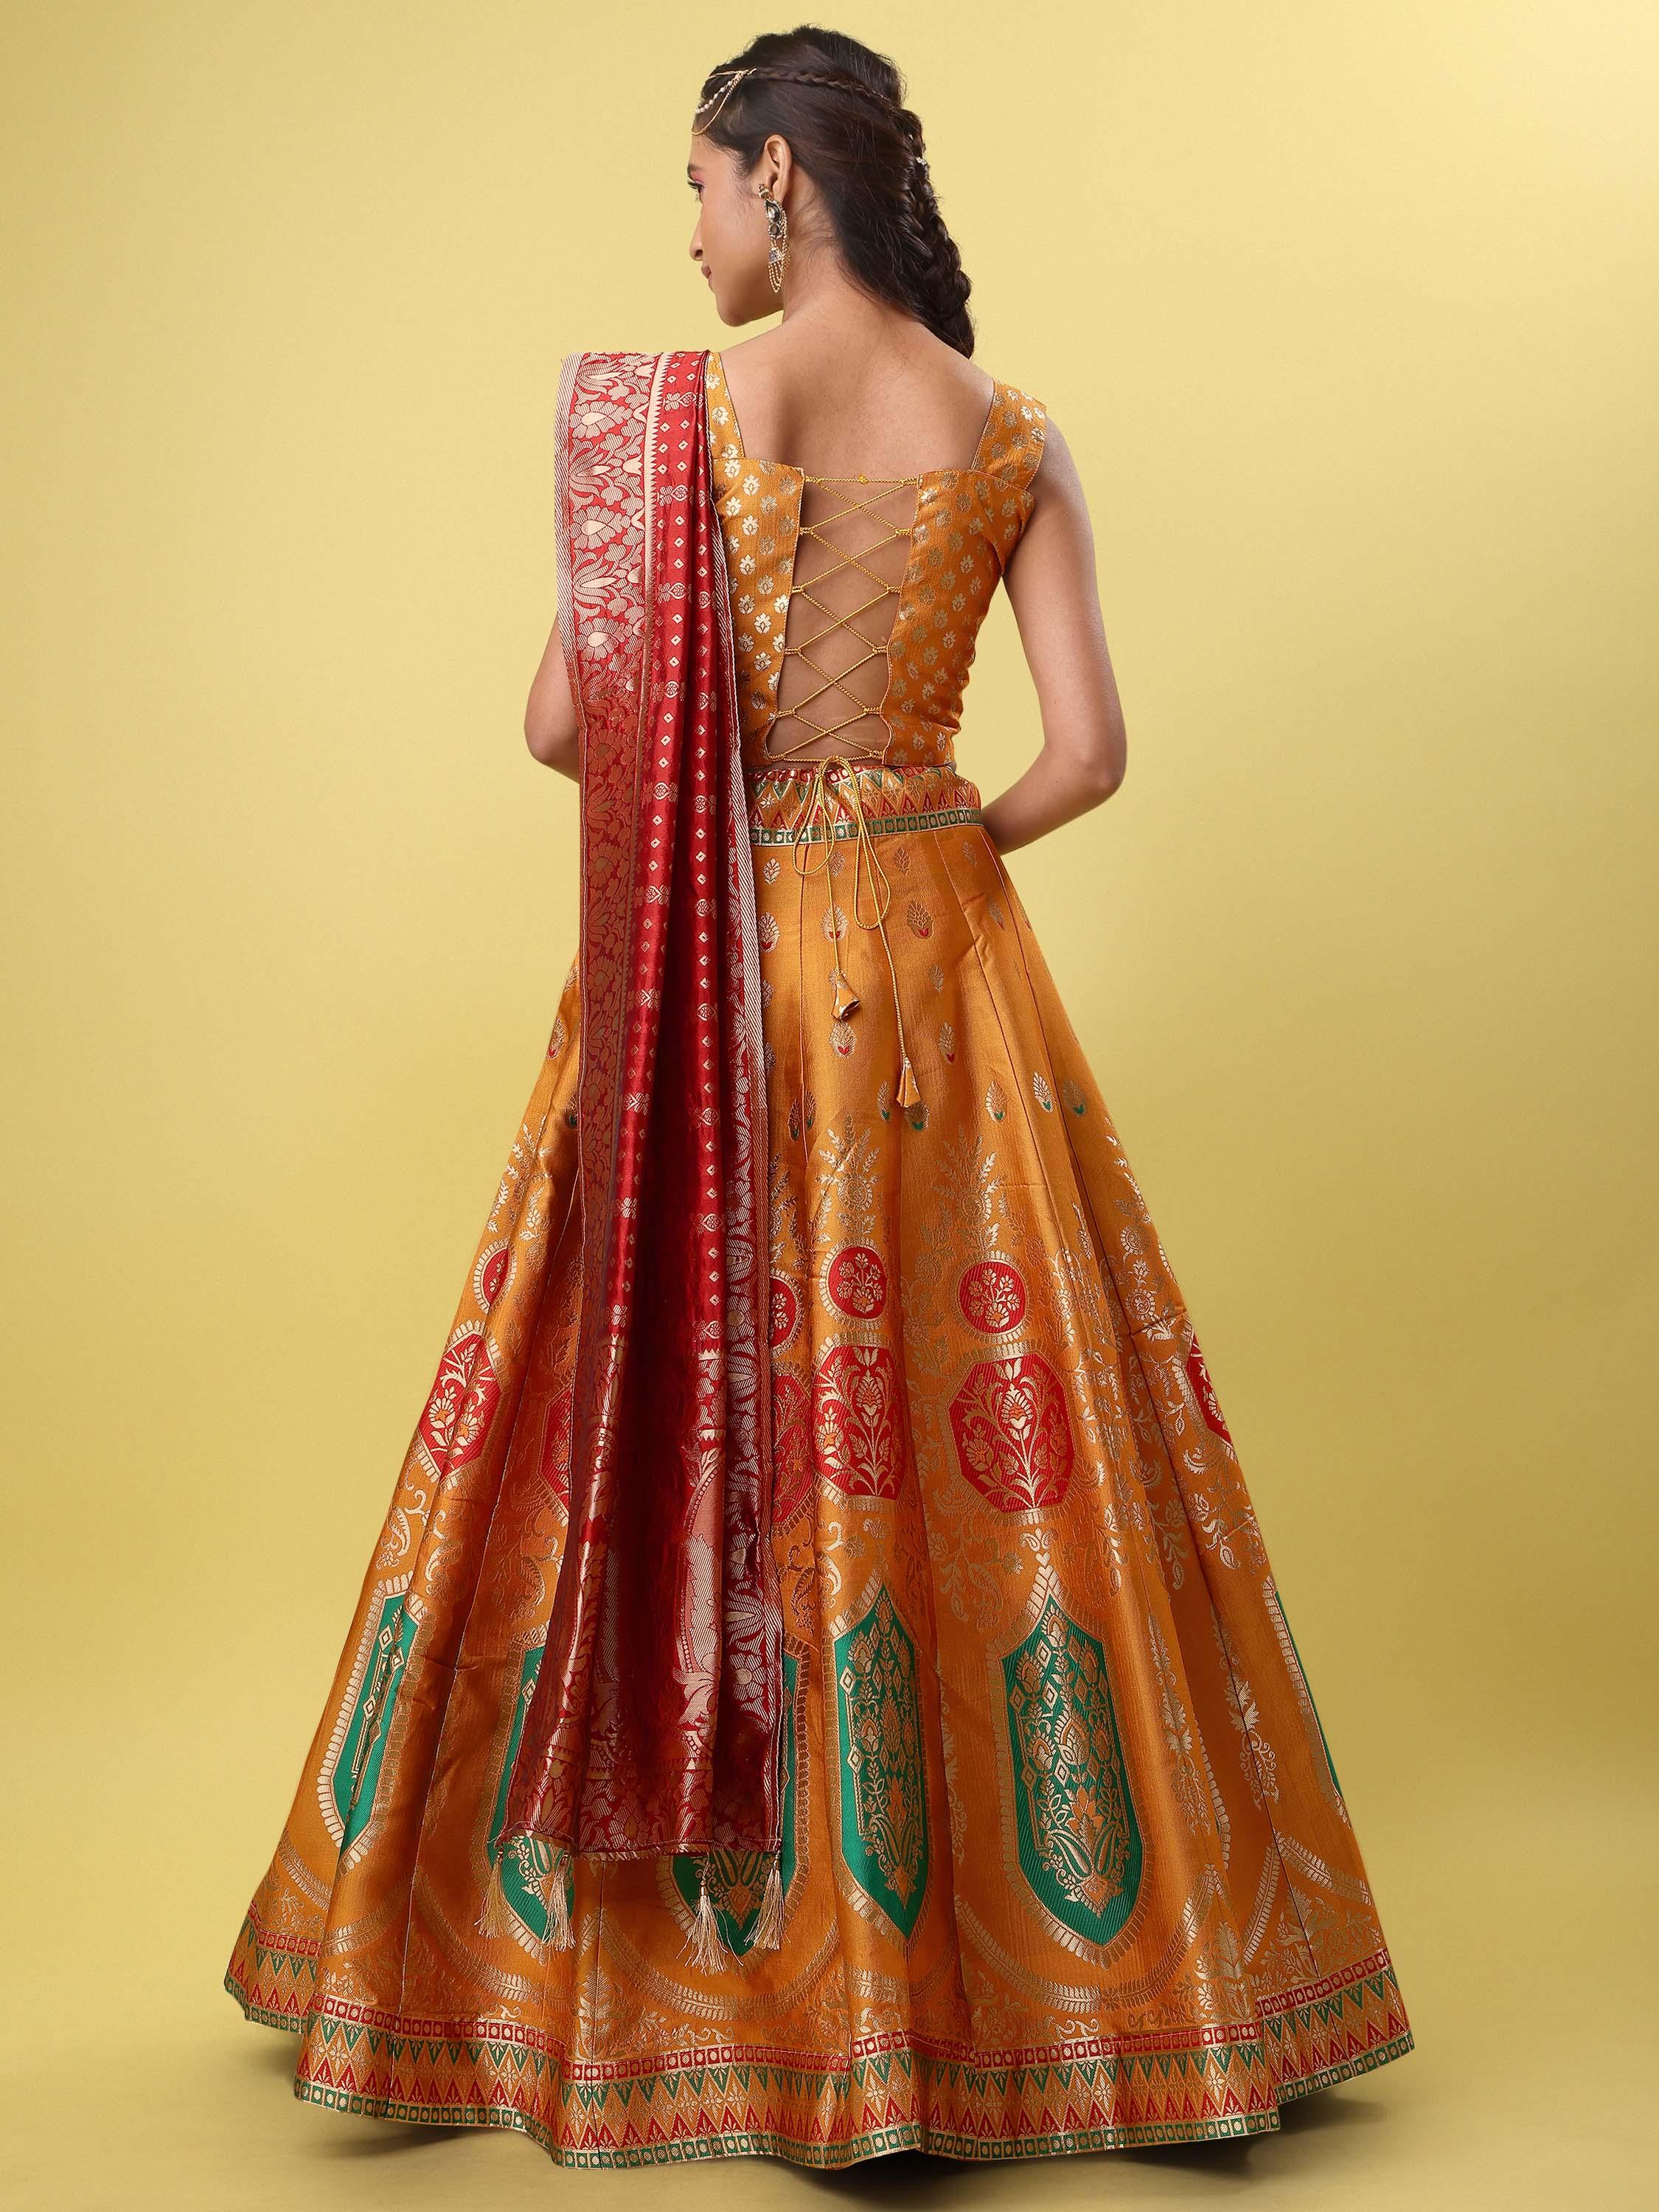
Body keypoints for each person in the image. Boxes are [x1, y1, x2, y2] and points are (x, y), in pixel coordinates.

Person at [227, 24, 1412, 2168]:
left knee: (637, 1399)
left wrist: (754, 805)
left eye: (696, 189)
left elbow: (561, 728)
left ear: (776, 177)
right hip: (946, 976)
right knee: (987, 1430)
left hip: (711, 953)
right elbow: (1086, 755)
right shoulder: (1011, 430)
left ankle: (611, 1980)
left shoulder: (675, 425)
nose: (687, 238)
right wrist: (924, 849)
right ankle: (1069, 1996)